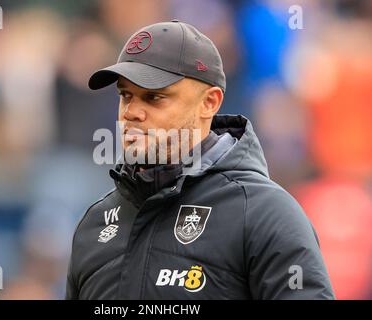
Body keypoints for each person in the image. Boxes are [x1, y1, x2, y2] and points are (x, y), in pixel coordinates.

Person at [66, 20, 335, 299]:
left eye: (154, 97)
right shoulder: (95, 223)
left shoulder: (264, 214)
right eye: (126, 95)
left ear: (210, 102)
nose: (131, 112)